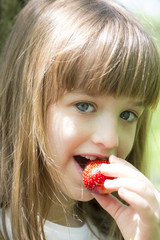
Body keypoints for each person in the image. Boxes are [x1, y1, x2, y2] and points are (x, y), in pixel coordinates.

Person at [0, 0, 160, 239]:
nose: (110, 139)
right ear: (27, 104)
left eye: (127, 115)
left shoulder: (123, 231)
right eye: (84, 106)